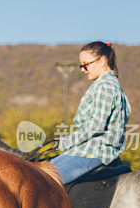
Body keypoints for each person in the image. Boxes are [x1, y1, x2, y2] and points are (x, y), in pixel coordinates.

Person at [51, 41, 131, 184]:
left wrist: (67, 142)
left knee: (46, 181)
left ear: (102, 61)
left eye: (85, 64)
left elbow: (95, 126)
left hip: (93, 152)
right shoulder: (106, 84)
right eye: (81, 65)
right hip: (85, 150)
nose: (83, 69)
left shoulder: (105, 86)